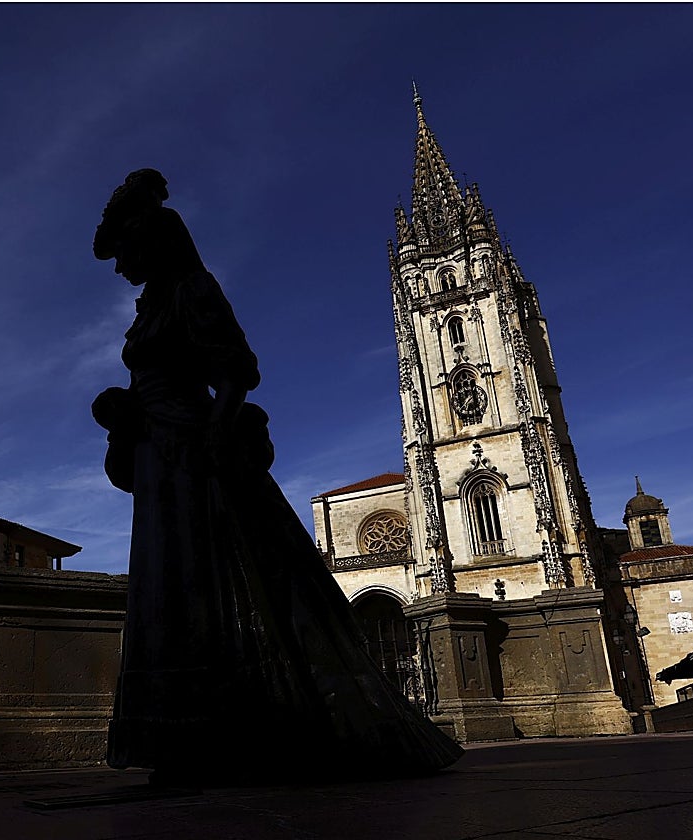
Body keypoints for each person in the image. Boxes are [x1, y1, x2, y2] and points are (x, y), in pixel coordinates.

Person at [92, 169, 462, 784]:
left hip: (193, 461)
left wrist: (210, 438)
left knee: (217, 589)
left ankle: (231, 734)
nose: (119, 265)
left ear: (154, 242)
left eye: (126, 250)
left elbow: (237, 371)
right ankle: (188, 742)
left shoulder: (193, 290)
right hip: (162, 462)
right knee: (176, 590)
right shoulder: (153, 303)